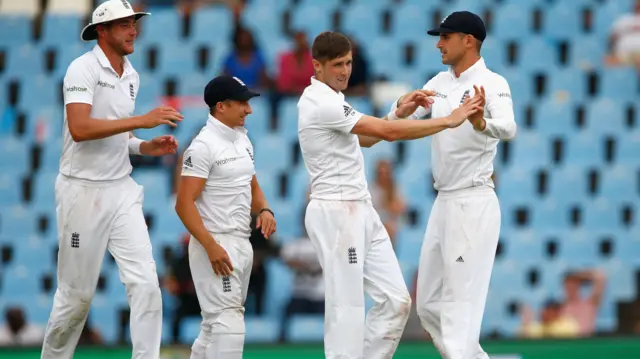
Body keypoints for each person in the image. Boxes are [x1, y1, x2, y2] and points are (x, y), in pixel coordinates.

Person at [297, 31, 483, 359]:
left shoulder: (334, 99)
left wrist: (399, 111)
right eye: (338, 64)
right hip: (336, 211)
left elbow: (367, 138)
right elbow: (386, 133)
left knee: (396, 301)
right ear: (318, 66)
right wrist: (449, 120)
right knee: (348, 306)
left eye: (349, 63)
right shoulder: (319, 102)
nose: (345, 71)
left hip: (361, 209)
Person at [40, 1, 184, 358]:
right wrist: (140, 123)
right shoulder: (81, 69)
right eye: (124, 25)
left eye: (134, 23)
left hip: (121, 190)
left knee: (147, 284)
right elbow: (80, 128)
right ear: (101, 31)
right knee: (76, 299)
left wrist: (144, 147)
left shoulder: (130, 73)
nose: (133, 30)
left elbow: (116, 136)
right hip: (82, 193)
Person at [391, 11, 517, 359]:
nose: (438, 43)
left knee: (459, 310)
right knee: (429, 304)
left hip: (473, 202)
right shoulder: (439, 82)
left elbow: (508, 128)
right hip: (444, 201)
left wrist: (481, 123)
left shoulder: (493, 83)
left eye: (446, 37)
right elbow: (399, 120)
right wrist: (400, 109)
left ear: (469, 41)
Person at [175, 75, 277, 359]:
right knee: (228, 324)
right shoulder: (202, 146)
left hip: (240, 242)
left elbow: (251, 183)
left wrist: (265, 208)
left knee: (214, 326)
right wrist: (210, 246)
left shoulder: (242, 139)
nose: (249, 109)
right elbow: (183, 204)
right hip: (215, 244)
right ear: (221, 106)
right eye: (242, 103)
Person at [560, 270, 606, 337]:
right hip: (567, 343)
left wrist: (577, 275)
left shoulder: (590, 304)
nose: (570, 287)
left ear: (578, 285)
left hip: (586, 343)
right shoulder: (560, 308)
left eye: (573, 284)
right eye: (567, 285)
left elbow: (601, 276)